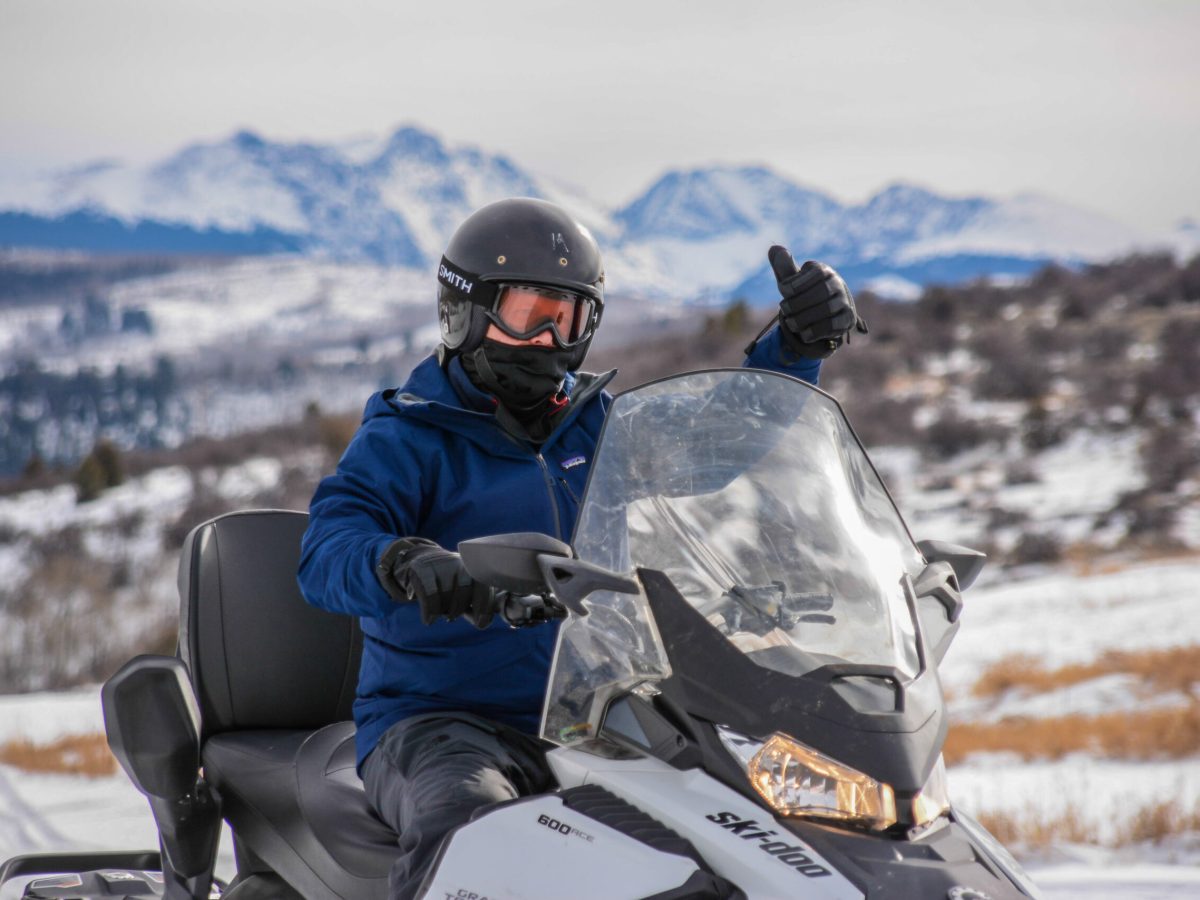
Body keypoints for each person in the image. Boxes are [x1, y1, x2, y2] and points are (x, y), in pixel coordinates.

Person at [297, 197, 866, 898]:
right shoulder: (409, 437)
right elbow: (327, 547)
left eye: (564, 318)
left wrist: (796, 348)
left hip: (597, 715)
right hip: (441, 724)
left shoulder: (594, 427)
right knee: (474, 831)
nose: (545, 339)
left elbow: (713, 444)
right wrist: (405, 563)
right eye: (528, 313)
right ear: (466, 311)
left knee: (720, 847)